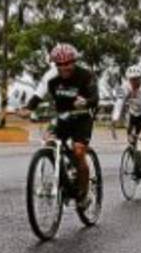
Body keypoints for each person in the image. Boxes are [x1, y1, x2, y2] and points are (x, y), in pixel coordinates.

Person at [25, 43, 99, 211]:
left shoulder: (86, 75)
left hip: (82, 117)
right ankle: (62, 177)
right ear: (55, 65)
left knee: (79, 151)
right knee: (48, 142)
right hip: (62, 117)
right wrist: (28, 108)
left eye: (68, 63)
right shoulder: (50, 76)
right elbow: (38, 94)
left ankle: (83, 193)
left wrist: (86, 102)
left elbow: (95, 98)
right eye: (60, 64)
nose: (64, 67)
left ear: (74, 61)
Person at [112, 65, 141, 177]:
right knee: (131, 141)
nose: (134, 82)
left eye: (136, 79)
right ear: (128, 79)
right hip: (134, 114)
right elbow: (118, 104)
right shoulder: (123, 88)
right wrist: (114, 120)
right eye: (131, 79)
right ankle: (138, 166)